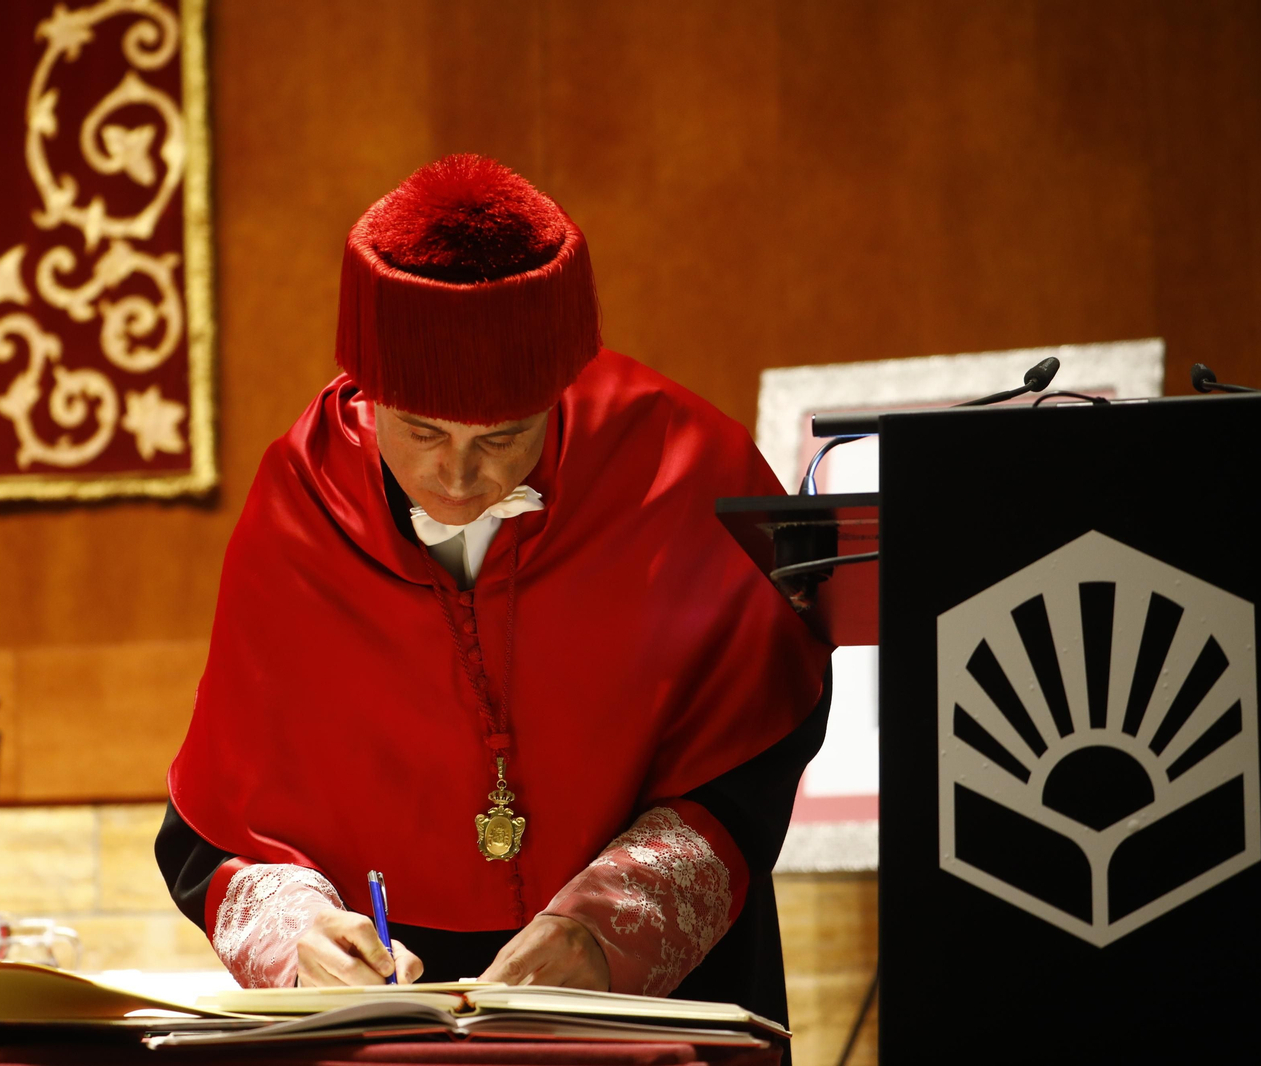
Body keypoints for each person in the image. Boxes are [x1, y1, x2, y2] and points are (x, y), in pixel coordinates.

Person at [157, 155, 831, 1022]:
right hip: (392, 1012)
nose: (458, 478)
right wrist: (305, 939)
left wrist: (607, 928)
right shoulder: (300, 501)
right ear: (370, 392)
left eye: (504, 437)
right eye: (421, 432)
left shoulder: (683, 466)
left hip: (652, 1006)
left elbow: (757, 749)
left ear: (559, 387)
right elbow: (217, 824)